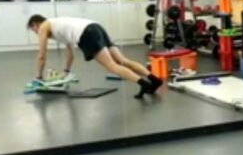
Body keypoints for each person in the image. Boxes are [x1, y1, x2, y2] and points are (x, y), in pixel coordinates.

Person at [26, 15, 162, 98]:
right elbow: (69, 51)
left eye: (33, 30)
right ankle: (154, 80)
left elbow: (41, 55)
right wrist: (66, 71)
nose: (36, 33)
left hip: (87, 33)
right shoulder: (57, 25)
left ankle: (143, 83)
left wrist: (39, 77)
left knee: (111, 66)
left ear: (35, 24)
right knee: (122, 61)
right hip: (96, 27)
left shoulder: (44, 27)